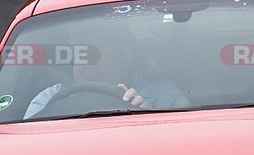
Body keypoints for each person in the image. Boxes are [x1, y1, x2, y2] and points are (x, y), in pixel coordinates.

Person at [24, 21, 187, 119]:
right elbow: (25, 146)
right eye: (80, 56)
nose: (86, 65)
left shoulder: (164, 97)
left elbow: (184, 146)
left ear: (126, 59)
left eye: (97, 56)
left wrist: (145, 117)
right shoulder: (49, 98)